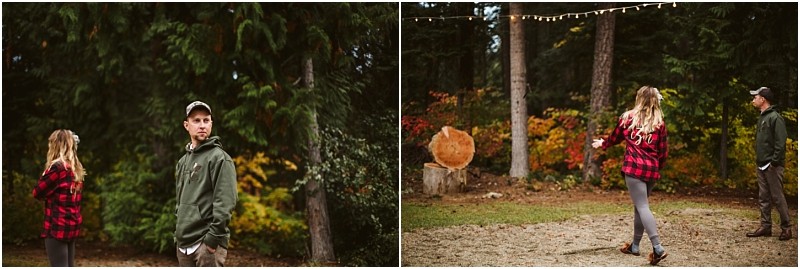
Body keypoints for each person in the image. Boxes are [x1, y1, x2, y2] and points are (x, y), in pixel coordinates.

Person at [592, 86, 668, 265]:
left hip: (634, 169)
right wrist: (658, 167)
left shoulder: (628, 118)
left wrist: (603, 143)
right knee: (640, 207)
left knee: (642, 206)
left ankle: (658, 247)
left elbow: (615, 137)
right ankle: (635, 245)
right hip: (651, 170)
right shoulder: (659, 123)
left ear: (639, 99)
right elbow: (663, 151)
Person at [175, 101, 238, 266]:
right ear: (186, 125)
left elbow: (225, 203)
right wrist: (178, 234)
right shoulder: (183, 162)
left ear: (211, 124)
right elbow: (179, 201)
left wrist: (212, 240)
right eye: (196, 120)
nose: (202, 125)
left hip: (206, 244)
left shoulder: (219, 158)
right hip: (183, 245)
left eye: (206, 120)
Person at [33, 129, 85, 267]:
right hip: (71, 226)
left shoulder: (57, 168)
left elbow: (37, 192)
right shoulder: (75, 168)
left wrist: (45, 173)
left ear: (56, 145)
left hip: (57, 227)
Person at [745, 87, 791, 241]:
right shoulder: (762, 117)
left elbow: (780, 143)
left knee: (777, 197)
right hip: (761, 164)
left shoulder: (775, 118)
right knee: (763, 197)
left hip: (772, 166)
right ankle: (766, 226)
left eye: (755, 97)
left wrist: (774, 162)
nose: (753, 100)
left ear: (763, 99)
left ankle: (786, 228)